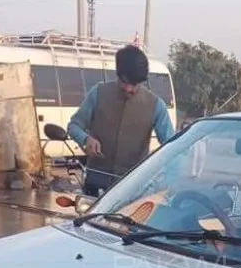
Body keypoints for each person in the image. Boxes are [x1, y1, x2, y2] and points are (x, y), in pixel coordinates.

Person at [67, 45, 175, 196]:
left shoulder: (156, 106)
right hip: (95, 185)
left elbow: (171, 146)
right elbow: (73, 126)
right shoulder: (98, 93)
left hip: (132, 190)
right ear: (118, 74)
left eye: (135, 84)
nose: (130, 89)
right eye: (125, 82)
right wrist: (86, 139)